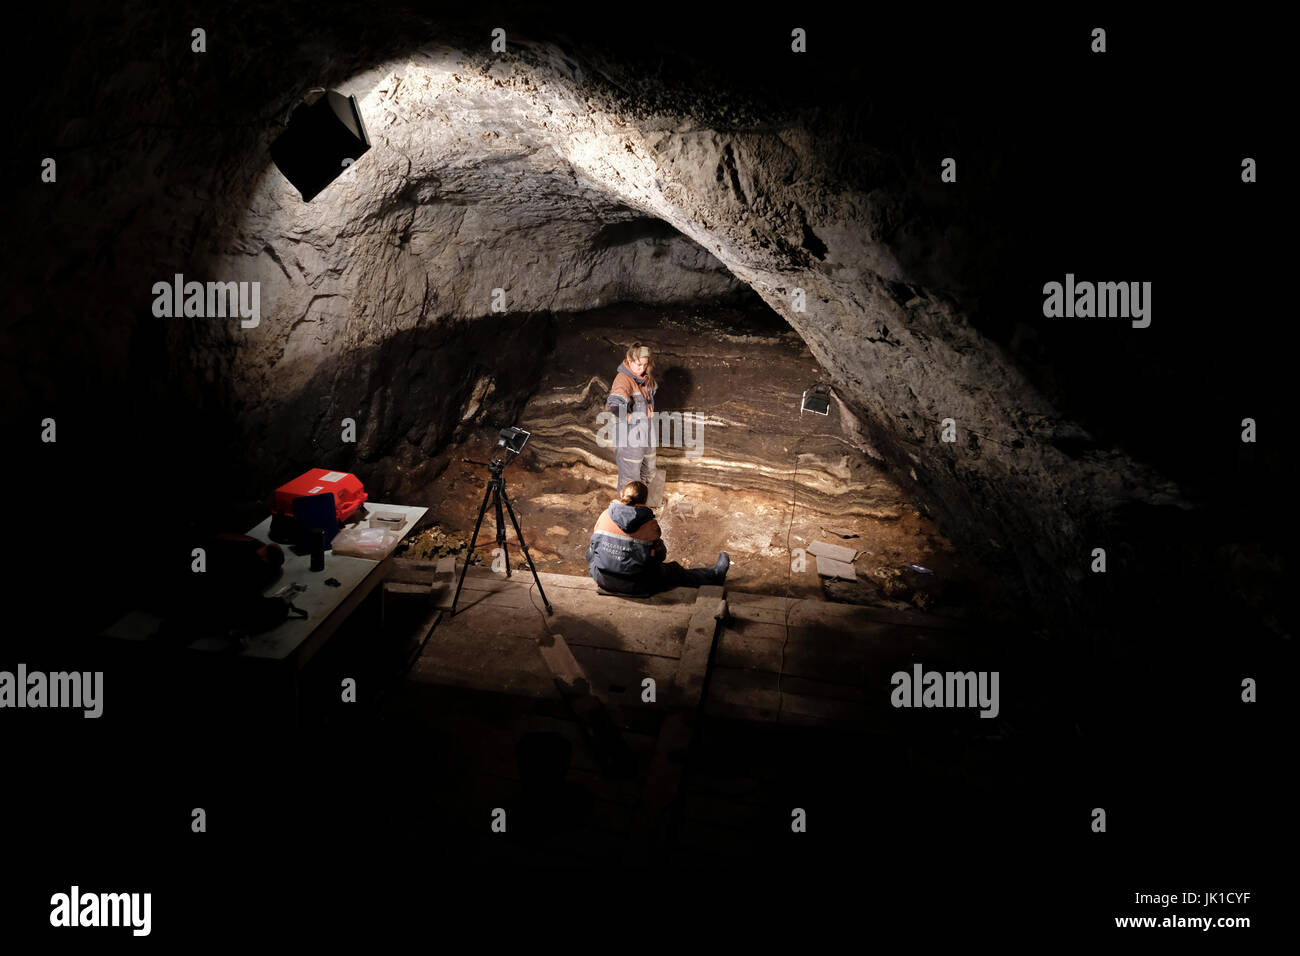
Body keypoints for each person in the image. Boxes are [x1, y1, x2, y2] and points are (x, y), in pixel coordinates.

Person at [587, 480, 729, 595]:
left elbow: (595, 547)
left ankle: (613, 572)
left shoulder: (605, 514)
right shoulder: (650, 524)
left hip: (603, 579)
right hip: (636, 585)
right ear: (644, 500)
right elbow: (660, 557)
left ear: (622, 494)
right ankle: (715, 576)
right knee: (673, 570)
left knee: (591, 550)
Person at [607, 342, 658, 495]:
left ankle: (641, 507)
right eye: (638, 364)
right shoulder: (623, 379)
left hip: (646, 434)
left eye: (644, 365)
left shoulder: (643, 378)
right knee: (630, 479)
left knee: (648, 471)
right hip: (629, 438)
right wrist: (634, 417)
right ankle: (627, 513)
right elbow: (615, 405)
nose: (641, 368)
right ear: (629, 360)